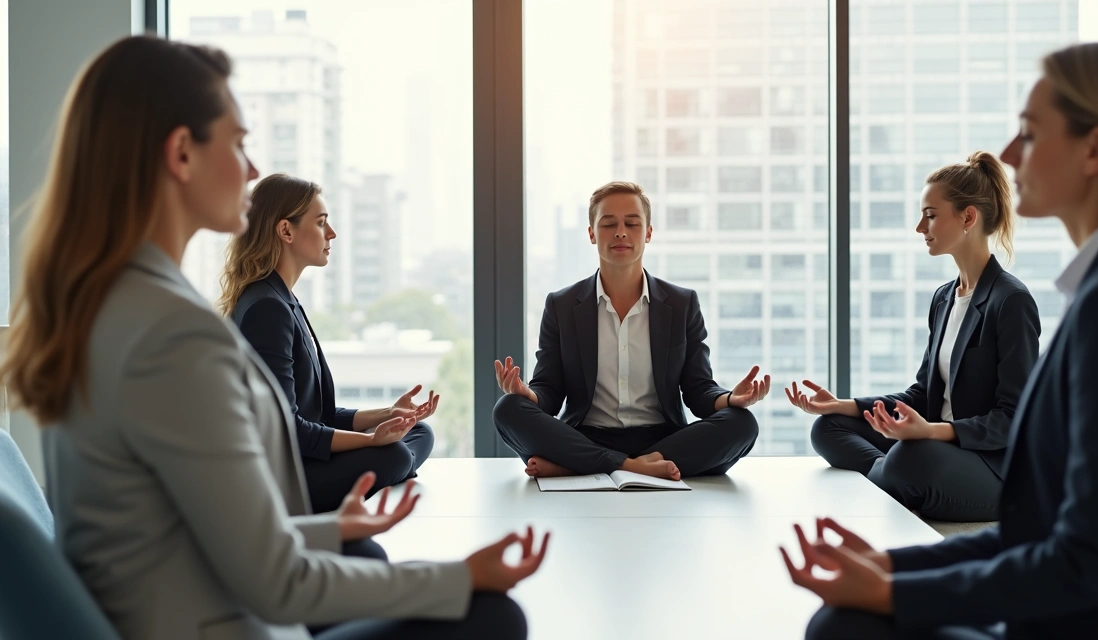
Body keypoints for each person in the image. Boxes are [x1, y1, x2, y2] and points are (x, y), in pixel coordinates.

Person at [0, 35, 548, 640]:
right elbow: (277, 584)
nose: (253, 169)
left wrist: (330, 528)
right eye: (238, 144)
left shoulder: (107, 308)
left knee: (367, 555)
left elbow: (181, 533)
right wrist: (457, 577)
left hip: (190, 605)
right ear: (182, 154)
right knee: (491, 615)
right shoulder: (171, 338)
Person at [783, 39, 1098, 639]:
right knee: (847, 610)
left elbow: (1084, 561)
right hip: (1077, 596)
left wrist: (893, 591)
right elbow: (1040, 533)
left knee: (842, 627)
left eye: (1031, 134)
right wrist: (890, 567)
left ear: (1096, 149)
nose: (1011, 153)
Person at [788, 151, 1040, 522]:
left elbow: (1014, 418)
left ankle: (895, 477)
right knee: (829, 428)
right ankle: (895, 481)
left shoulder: (1011, 301)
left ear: (968, 217)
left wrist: (935, 432)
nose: (920, 228)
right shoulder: (944, 298)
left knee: (911, 455)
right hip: (934, 449)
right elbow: (922, 394)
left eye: (931, 216)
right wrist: (845, 405)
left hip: (992, 467)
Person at [493, 181, 770, 481]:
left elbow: (698, 390)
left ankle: (578, 467)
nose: (621, 232)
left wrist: (730, 399)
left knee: (743, 424)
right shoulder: (561, 305)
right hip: (586, 437)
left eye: (632, 224)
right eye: (608, 224)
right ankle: (630, 467)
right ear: (591, 234)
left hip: (662, 442)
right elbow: (550, 392)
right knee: (508, 408)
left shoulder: (681, 303)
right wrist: (527, 394)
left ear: (648, 233)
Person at [220, 173, 438, 516]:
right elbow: (288, 427)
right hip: (287, 475)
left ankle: (398, 461)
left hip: (307, 451)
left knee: (418, 431)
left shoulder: (282, 298)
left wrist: (389, 415)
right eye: (321, 223)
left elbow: (320, 415)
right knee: (395, 454)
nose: (332, 233)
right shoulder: (267, 308)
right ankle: (398, 465)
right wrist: (371, 441)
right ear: (286, 231)